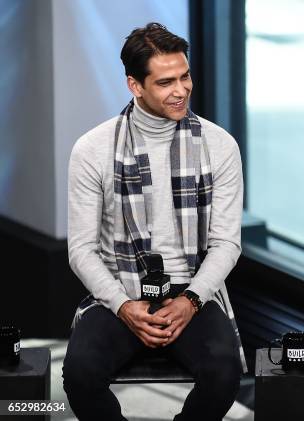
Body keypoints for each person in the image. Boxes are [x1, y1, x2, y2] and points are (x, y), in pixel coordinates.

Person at [63, 23, 245, 421]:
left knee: (224, 371)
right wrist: (123, 305)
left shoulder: (220, 145)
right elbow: (81, 249)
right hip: (120, 289)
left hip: (192, 292)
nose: (181, 90)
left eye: (185, 76)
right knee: (79, 374)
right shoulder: (93, 149)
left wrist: (190, 300)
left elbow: (227, 243)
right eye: (165, 82)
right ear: (135, 85)